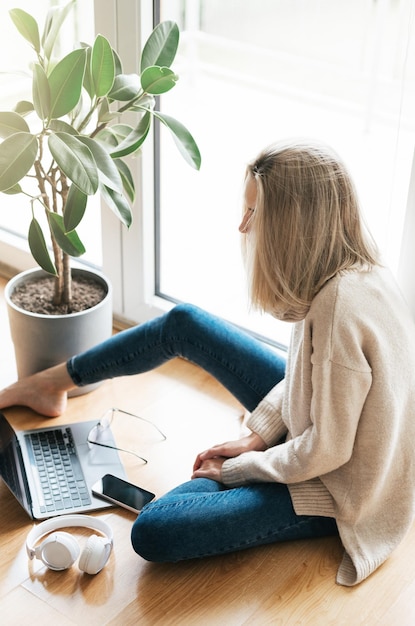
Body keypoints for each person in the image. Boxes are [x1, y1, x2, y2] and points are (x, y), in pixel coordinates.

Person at [1, 139, 415, 587]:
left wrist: (237, 466)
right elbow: (307, 378)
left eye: (254, 213)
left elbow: (327, 451)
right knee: (183, 323)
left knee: (156, 529)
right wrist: (257, 435)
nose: (243, 226)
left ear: (295, 226)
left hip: (338, 487)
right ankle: (50, 383)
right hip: (322, 429)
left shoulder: (340, 306)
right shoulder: (351, 270)